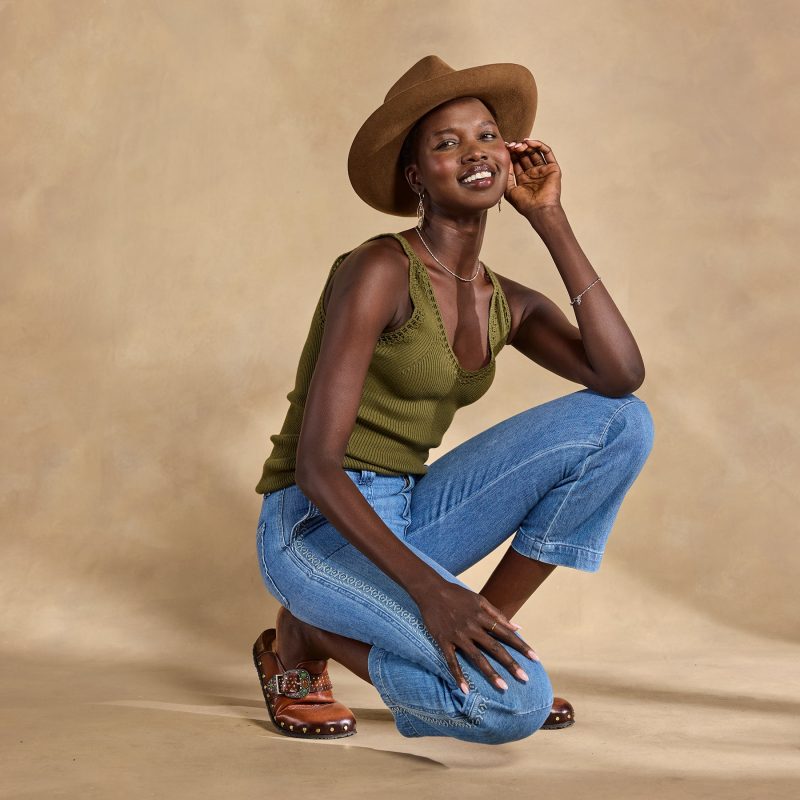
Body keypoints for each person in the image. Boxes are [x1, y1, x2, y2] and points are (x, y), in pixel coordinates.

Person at [251, 55, 655, 745]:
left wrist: (550, 217)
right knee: (515, 708)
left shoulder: (507, 302)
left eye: (487, 136)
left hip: (409, 511)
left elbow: (620, 377)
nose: (474, 152)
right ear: (417, 176)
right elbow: (317, 467)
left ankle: (481, 647)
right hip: (315, 526)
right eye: (447, 143)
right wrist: (434, 592)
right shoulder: (379, 269)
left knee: (622, 425)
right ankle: (308, 635)